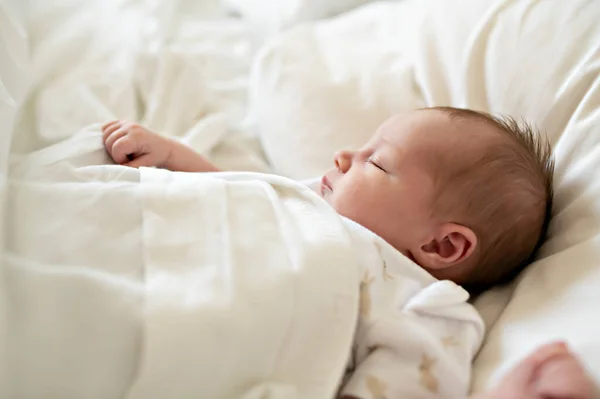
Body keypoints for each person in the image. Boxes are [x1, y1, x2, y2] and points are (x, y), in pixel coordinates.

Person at [101, 107, 593, 398]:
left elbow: (406, 382)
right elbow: (240, 189)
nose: (342, 156)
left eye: (376, 163)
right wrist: (170, 156)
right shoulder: (312, 201)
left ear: (441, 245)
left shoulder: (422, 303)